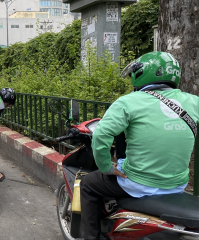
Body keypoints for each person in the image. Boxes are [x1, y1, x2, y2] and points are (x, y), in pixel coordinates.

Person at [80, 51, 199, 240]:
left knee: (87, 184)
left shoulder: (129, 101)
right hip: (177, 185)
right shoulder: (194, 102)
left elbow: (102, 134)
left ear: (141, 73)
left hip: (139, 183)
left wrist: (107, 167)